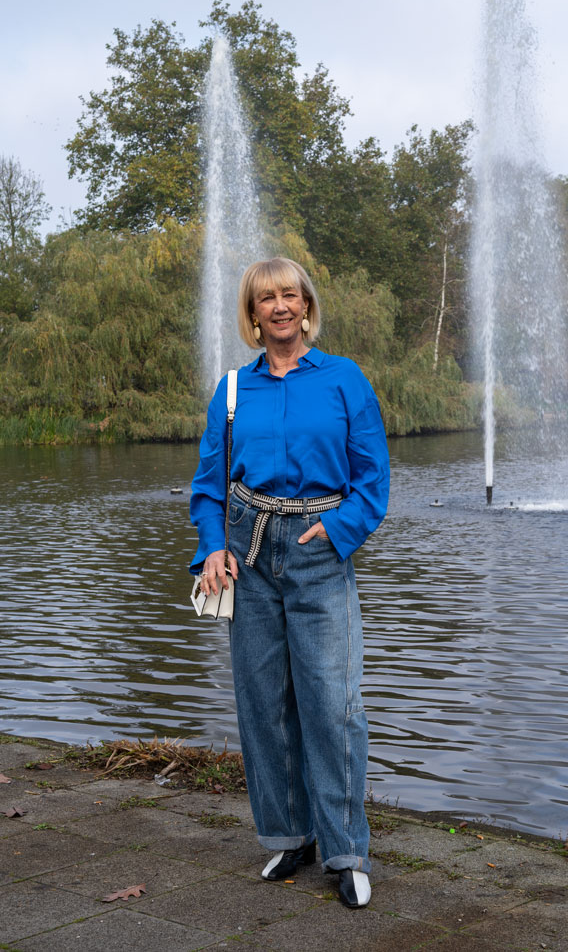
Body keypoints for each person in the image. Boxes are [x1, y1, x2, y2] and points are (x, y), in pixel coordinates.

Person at [189, 257, 390, 909]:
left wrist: (338, 530)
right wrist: (212, 548)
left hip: (318, 549)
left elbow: (373, 478)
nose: (278, 306)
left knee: (332, 704)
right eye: (265, 298)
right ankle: (287, 835)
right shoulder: (231, 390)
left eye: (289, 295)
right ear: (252, 314)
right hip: (247, 556)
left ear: (306, 306)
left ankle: (346, 851)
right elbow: (208, 487)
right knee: (264, 705)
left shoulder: (343, 379)